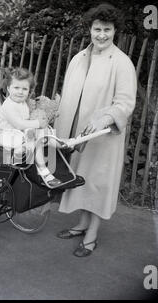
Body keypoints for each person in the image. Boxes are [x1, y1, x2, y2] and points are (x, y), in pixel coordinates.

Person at [55, 3, 137, 257]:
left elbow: (125, 102)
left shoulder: (122, 63)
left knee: (98, 184)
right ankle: (81, 224)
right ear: (90, 29)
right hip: (78, 134)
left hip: (103, 137)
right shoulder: (78, 59)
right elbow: (70, 94)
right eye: (97, 29)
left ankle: (91, 236)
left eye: (107, 30)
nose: (102, 34)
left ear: (115, 31)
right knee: (81, 180)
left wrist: (106, 119)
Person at [0, 67, 62, 188]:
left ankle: (62, 144)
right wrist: (38, 123)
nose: (20, 92)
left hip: (19, 134)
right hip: (8, 137)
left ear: (29, 91)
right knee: (35, 137)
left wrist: (43, 122)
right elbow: (19, 124)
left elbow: (28, 120)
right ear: (8, 88)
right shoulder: (8, 106)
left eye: (24, 89)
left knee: (42, 131)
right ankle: (44, 171)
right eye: (16, 88)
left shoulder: (22, 103)